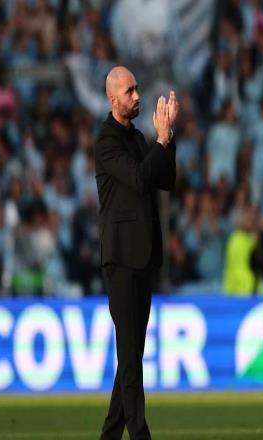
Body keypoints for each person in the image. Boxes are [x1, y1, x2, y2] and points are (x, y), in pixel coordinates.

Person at [94, 66, 178, 440]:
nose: (137, 96)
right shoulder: (106, 142)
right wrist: (160, 140)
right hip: (122, 260)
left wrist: (167, 137)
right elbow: (141, 178)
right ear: (113, 99)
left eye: (137, 89)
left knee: (131, 358)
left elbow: (165, 179)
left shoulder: (137, 137)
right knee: (130, 360)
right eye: (129, 91)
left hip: (142, 257)